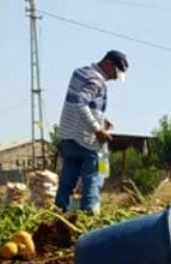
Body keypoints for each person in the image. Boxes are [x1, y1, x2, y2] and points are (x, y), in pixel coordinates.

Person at [54, 50, 128, 214]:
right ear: (108, 64)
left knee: (68, 178)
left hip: (68, 135)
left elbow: (80, 103)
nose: (115, 78)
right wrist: (98, 129)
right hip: (85, 140)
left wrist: (102, 119)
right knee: (92, 179)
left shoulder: (80, 72)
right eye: (115, 73)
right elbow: (81, 103)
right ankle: (89, 217)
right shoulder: (97, 81)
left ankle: (59, 212)